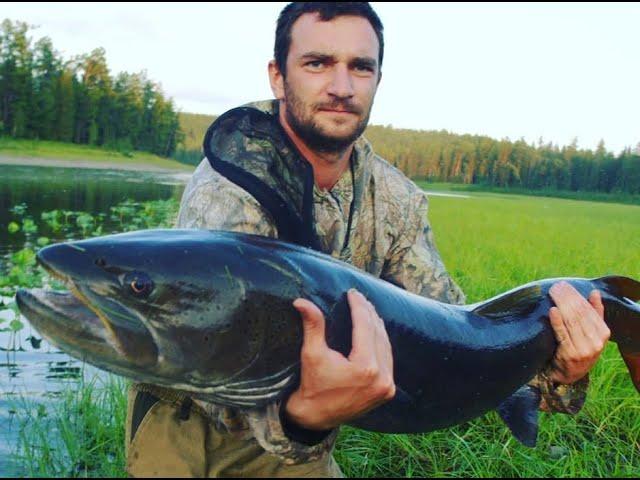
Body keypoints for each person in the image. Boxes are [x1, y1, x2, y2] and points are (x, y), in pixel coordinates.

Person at [124, 3, 610, 478]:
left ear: (378, 79)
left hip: (306, 431)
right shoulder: (232, 183)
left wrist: (556, 369)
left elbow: (455, 340)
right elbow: (210, 369)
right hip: (189, 423)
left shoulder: (396, 200)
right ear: (277, 75)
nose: (340, 87)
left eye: (360, 67)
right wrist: (305, 417)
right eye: (317, 63)